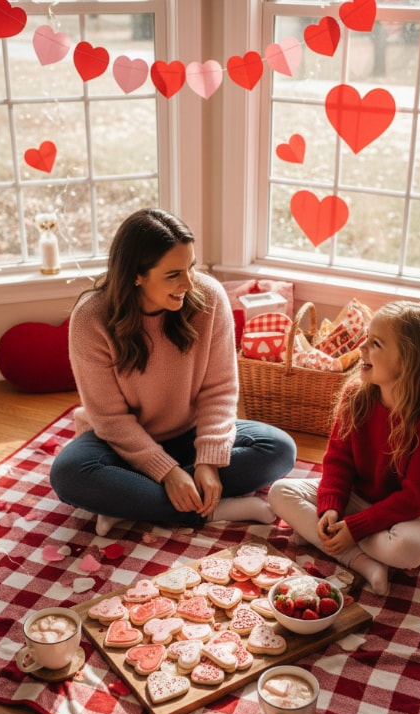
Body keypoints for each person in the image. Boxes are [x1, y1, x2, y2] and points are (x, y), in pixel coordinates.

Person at [50, 208, 296, 535]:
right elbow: (109, 419)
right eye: (173, 274)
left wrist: (208, 462)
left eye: (190, 267)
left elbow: (219, 390)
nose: (188, 282)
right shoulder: (91, 319)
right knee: (68, 475)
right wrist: (168, 473)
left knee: (278, 449)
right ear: (137, 274)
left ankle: (130, 504)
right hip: (120, 444)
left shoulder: (209, 298)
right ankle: (212, 508)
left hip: (189, 433)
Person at [268, 300, 420, 595]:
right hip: (356, 497)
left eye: (376, 344)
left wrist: (356, 527)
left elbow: (416, 498)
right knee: (279, 493)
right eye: (366, 339)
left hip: (409, 514)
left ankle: (328, 538)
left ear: (410, 360)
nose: (362, 348)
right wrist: (331, 508)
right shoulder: (355, 396)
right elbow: (337, 461)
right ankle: (360, 561)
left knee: (409, 550)